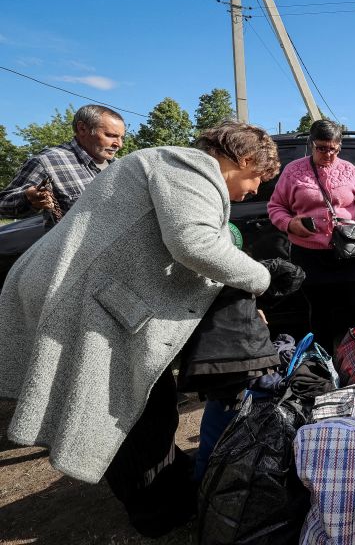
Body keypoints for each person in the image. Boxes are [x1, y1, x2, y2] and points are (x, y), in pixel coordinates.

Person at [0, 120, 282, 537]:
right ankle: (158, 511)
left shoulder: (171, 166)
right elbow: (196, 244)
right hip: (79, 294)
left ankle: (163, 484)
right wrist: (263, 278)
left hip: (85, 288)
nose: (256, 190)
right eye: (258, 178)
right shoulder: (190, 168)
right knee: (125, 407)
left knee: (145, 398)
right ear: (243, 159)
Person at [267, 119, 355, 352]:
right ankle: (325, 366)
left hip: (350, 252)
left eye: (333, 148)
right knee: (319, 312)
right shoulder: (293, 171)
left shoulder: (350, 170)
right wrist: (290, 224)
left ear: (339, 146)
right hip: (309, 256)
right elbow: (275, 207)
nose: (328, 154)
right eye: (322, 148)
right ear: (311, 144)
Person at [0, 104, 126, 224]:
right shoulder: (47, 162)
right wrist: (28, 199)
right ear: (82, 129)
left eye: (122, 138)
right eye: (110, 135)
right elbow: (3, 205)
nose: (119, 144)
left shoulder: (122, 167)